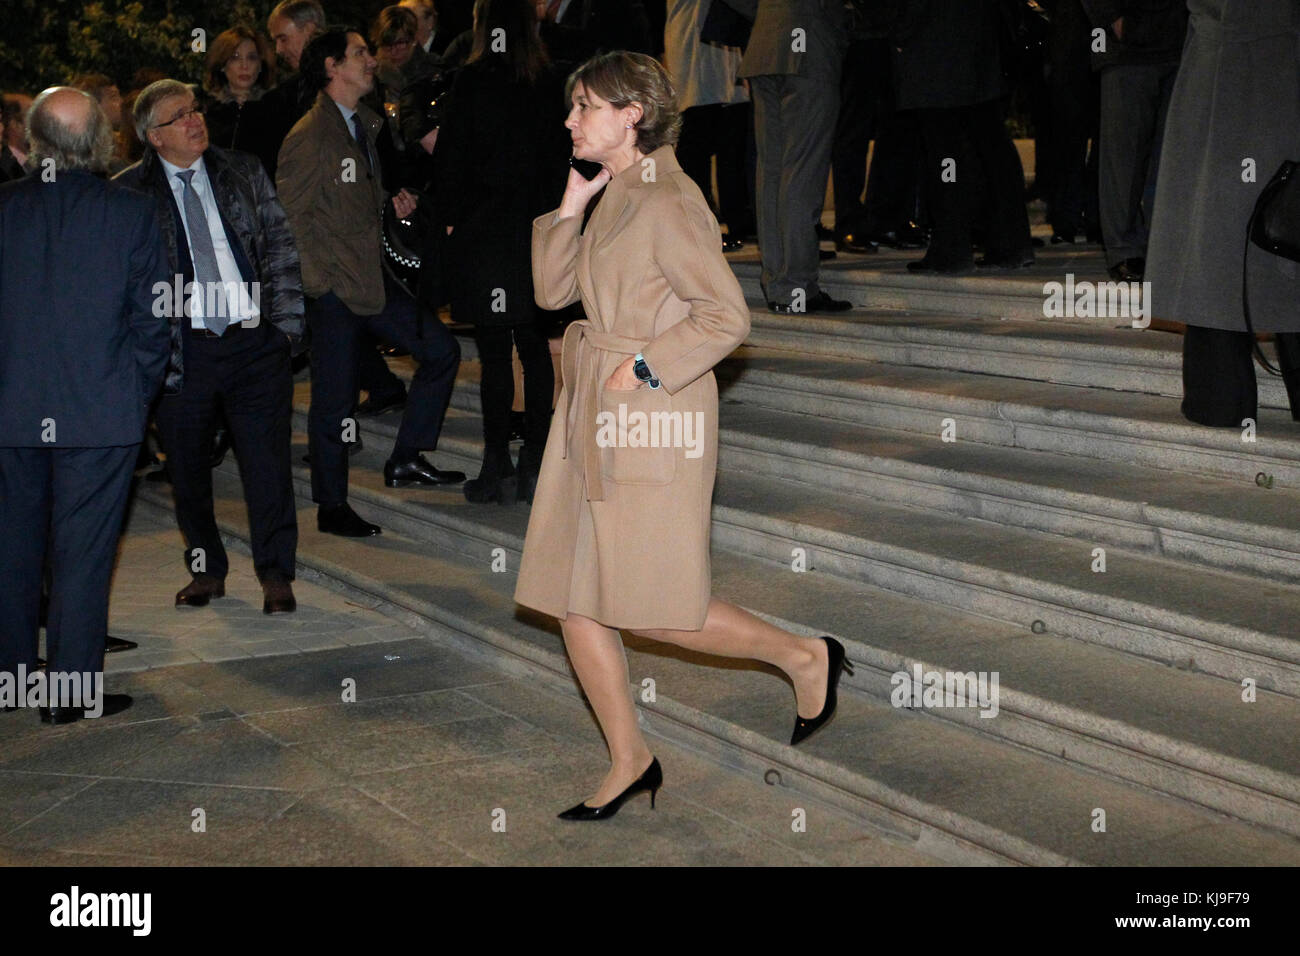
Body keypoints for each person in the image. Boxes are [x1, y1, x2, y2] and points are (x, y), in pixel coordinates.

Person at [516, 52, 849, 820]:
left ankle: (806, 655)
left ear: (632, 112)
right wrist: (569, 209)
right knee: (576, 600)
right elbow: (552, 293)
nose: (571, 120)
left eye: (585, 105)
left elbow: (726, 316)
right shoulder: (617, 191)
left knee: (656, 607)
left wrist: (645, 366)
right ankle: (630, 759)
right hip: (594, 411)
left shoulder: (669, 198)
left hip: (649, 419)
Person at [0, 88, 171, 723]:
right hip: (99, 413)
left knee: (12, 550)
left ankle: (12, 682)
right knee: (82, 553)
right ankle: (67, 694)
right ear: (100, 140)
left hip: (13, 413)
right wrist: (133, 393)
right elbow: (156, 321)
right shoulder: (129, 214)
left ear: (34, 138)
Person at [115, 79, 305, 614]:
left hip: (253, 342)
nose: (195, 120)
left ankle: (275, 573)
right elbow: (125, 285)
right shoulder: (130, 193)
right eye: (179, 117)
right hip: (182, 351)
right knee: (188, 471)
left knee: (267, 465)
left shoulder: (242, 169)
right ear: (154, 137)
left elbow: (281, 246)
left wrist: (285, 331)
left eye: (195, 109)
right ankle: (206, 570)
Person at [277, 28, 465, 538]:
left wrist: (390, 199)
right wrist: (322, 288)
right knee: (335, 401)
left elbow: (349, 195)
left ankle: (406, 458)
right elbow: (290, 222)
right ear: (332, 67)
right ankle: (332, 505)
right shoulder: (309, 135)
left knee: (441, 350)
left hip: (370, 281)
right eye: (359, 54)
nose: (370, 61)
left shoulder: (361, 123)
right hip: (336, 288)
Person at [1146, 0, 1300, 427]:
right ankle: (1221, 398)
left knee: (1218, 246)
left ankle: (1221, 399)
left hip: (1221, 77)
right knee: (1279, 239)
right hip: (1264, 74)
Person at [437, 0, 567, 503]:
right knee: (535, 350)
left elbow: (450, 163)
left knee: (494, 355)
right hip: (537, 233)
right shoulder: (551, 81)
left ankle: (496, 464)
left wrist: (452, 219)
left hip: (485, 234)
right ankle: (535, 461)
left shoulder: (471, 81)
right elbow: (565, 156)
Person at [722, 0, 852, 313]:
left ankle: (781, 286)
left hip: (767, 44)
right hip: (810, 44)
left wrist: (772, 12)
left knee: (771, 171)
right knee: (802, 169)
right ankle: (796, 287)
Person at [893, 0, 1035, 273]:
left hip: (938, 48)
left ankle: (953, 246)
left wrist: (899, 32)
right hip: (975, 43)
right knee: (989, 145)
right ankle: (1010, 242)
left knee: (947, 153)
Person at [1080, 0, 1187, 282]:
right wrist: (1114, 19)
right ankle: (1124, 249)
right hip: (1128, 46)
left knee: (1171, 156)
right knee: (1123, 156)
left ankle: (1162, 243)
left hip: (1183, 40)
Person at [664, 0, 753, 251]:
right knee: (697, 145)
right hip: (696, 46)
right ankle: (698, 226)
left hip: (726, 48)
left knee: (732, 144)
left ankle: (738, 219)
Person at [202, 27, 277, 160]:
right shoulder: (206, 113)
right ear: (222, 65)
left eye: (252, 58)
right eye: (235, 58)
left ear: (261, 65)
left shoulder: (277, 109)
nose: (244, 65)